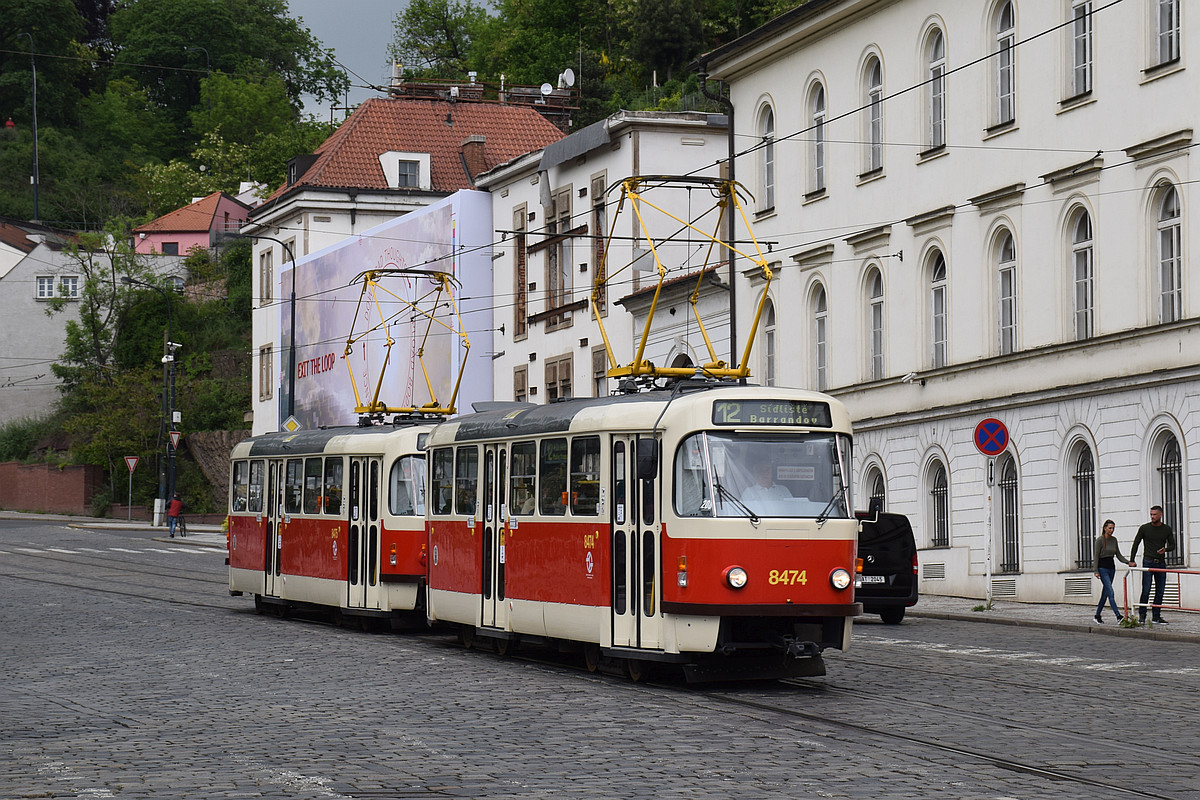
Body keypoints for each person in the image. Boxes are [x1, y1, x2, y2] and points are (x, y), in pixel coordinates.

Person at [1128, 505, 1177, 624]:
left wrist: (1165, 549)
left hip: (1160, 562)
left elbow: (1173, 545)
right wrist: (1132, 560)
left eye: (1155, 514)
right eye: (1151, 514)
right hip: (1148, 561)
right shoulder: (1144, 528)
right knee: (1146, 589)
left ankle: (1156, 616)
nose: (1152, 517)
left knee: (1160, 590)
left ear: (1161, 515)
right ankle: (1142, 616)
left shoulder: (1166, 529)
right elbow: (1136, 543)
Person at [1092, 519, 1130, 624]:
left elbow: (1118, 554)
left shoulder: (1114, 540)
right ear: (1105, 528)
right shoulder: (1100, 540)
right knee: (1110, 592)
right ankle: (1118, 616)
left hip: (1111, 567)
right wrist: (1095, 570)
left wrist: (1128, 562)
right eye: (1110, 528)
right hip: (1102, 568)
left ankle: (1097, 615)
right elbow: (1096, 556)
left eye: (1113, 528)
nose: (1112, 530)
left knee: (1105, 593)